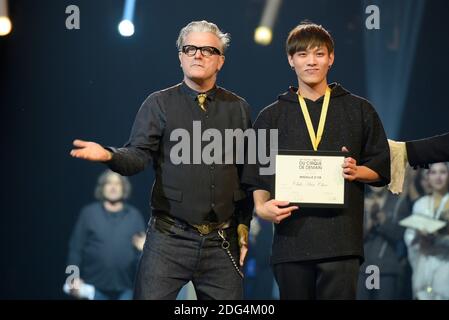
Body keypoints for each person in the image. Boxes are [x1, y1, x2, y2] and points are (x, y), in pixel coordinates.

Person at [70, 20, 252, 300]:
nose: (198, 55)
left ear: (220, 61)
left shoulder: (239, 109)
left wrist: (243, 225)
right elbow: (138, 156)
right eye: (190, 48)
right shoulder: (158, 104)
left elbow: (247, 173)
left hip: (221, 243)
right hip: (169, 240)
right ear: (180, 57)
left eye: (207, 50)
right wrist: (109, 154)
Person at [242, 22, 390, 300]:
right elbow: (256, 173)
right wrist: (262, 208)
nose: (311, 61)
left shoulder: (359, 109)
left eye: (319, 54)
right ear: (290, 60)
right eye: (302, 55)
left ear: (331, 58)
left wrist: (358, 171)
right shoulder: (271, 116)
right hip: (290, 243)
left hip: (342, 242)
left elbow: (381, 167)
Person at [67, 170, 146, 300]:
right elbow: (75, 249)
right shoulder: (88, 213)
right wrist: (71, 278)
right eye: (108, 183)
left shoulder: (134, 216)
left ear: (124, 188)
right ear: (102, 188)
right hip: (93, 289)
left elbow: (143, 257)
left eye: (117, 183)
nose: (113, 187)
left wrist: (145, 249)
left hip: (126, 289)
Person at [404, 162, 449, 299]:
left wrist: (440, 239)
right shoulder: (420, 204)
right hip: (424, 261)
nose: (438, 177)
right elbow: (409, 235)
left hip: (445, 262)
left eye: (442, 172)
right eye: (433, 172)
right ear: (428, 177)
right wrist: (418, 238)